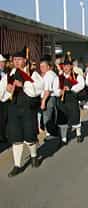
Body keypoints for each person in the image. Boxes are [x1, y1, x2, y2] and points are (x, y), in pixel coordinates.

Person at [4, 47, 43, 177]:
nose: (16, 62)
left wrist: (24, 85)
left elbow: (37, 90)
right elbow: (4, 93)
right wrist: (8, 89)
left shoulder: (33, 73)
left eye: (19, 59)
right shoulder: (10, 74)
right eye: (14, 59)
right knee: (16, 137)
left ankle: (34, 156)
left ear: (24, 60)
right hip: (14, 109)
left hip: (27, 109)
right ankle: (17, 165)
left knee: (29, 137)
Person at [57, 52, 85, 146]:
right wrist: (59, 91)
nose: (65, 68)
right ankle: (64, 139)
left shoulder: (76, 76)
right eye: (64, 66)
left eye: (67, 66)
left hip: (72, 100)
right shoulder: (59, 77)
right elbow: (55, 88)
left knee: (75, 117)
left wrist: (71, 88)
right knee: (62, 120)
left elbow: (81, 84)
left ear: (71, 66)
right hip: (62, 101)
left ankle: (78, 134)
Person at [39, 55, 60, 139]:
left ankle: (52, 135)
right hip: (48, 98)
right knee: (48, 117)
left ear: (48, 66)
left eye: (43, 66)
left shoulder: (49, 75)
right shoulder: (48, 74)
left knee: (47, 118)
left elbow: (47, 91)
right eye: (40, 66)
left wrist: (43, 102)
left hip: (49, 98)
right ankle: (51, 134)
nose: (41, 68)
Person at [0, 54, 8, 142]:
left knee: (3, 118)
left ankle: (2, 135)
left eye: (3, 63)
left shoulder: (4, 73)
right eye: (1, 63)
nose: (3, 64)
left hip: (4, 99)